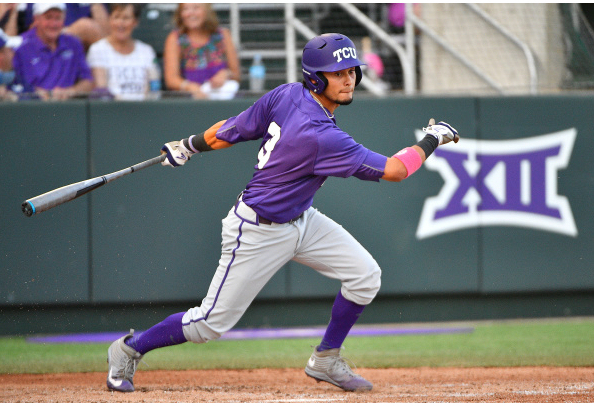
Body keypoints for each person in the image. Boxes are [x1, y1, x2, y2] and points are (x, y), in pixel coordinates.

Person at [106, 33, 459, 393]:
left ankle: (325, 359)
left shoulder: (288, 94)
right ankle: (128, 349)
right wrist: (431, 139)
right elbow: (396, 170)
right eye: (338, 72)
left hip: (301, 219)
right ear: (316, 78)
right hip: (257, 230)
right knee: (207, 325)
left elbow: (231, 129)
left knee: (365, 276)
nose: (349, 78)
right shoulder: (321, 135)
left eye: (352, 70)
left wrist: (189, 145)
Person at [11, 3, 93, 100]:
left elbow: (88, 81)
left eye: (58, 18)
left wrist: (71, 91)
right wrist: (36, 93)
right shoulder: (19, 45)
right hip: (32, 106)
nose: (53, 24)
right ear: (36, 19)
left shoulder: (74, 44)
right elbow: (12, 83)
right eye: (48, 17)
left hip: (67, 105)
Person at [163, 3, 240, 100]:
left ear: (207, 11)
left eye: (196, 8)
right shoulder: (175, 39)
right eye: (185, 9)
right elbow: (171, 80)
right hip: (192, 103)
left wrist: (226, 74)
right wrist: (190, 87)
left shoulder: (223, 35)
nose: (190, 13)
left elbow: (236, 74)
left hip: (224, 100)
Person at [86, 4, 159, 101]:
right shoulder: (98, 49)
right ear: (110, 19)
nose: (121, 23)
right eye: (116, 17)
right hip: (111, 110)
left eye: (126, 18)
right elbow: (102, 91)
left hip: (144, 110)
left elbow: (154, 87)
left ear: (135, 22)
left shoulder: (146, 51)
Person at [17, 3, 109, 49]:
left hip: (82, 51)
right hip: (45, 46)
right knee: (86, 26)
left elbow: (106, 35)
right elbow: (33, 29)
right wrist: (74, 31)